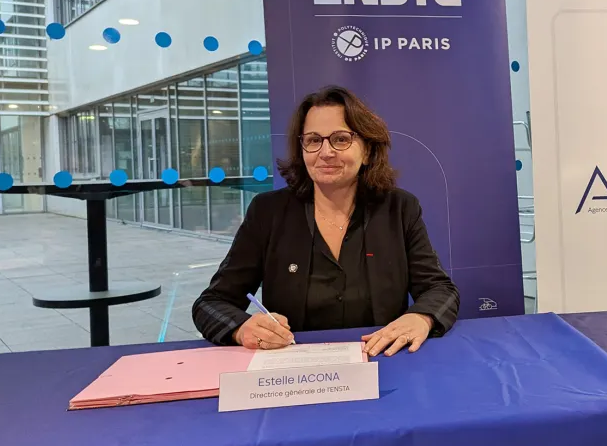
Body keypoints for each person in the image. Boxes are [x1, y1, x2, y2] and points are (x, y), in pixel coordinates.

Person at [193, 85, 459, 356]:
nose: (326, 152)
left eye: (341, 139)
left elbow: (440, 289)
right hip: (294, 369)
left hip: (384, 362)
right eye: (313, 140)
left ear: (367, 151)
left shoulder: (399, 208)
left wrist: (421, 318)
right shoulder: (268, 211)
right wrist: (242, 329)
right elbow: (211, 303)